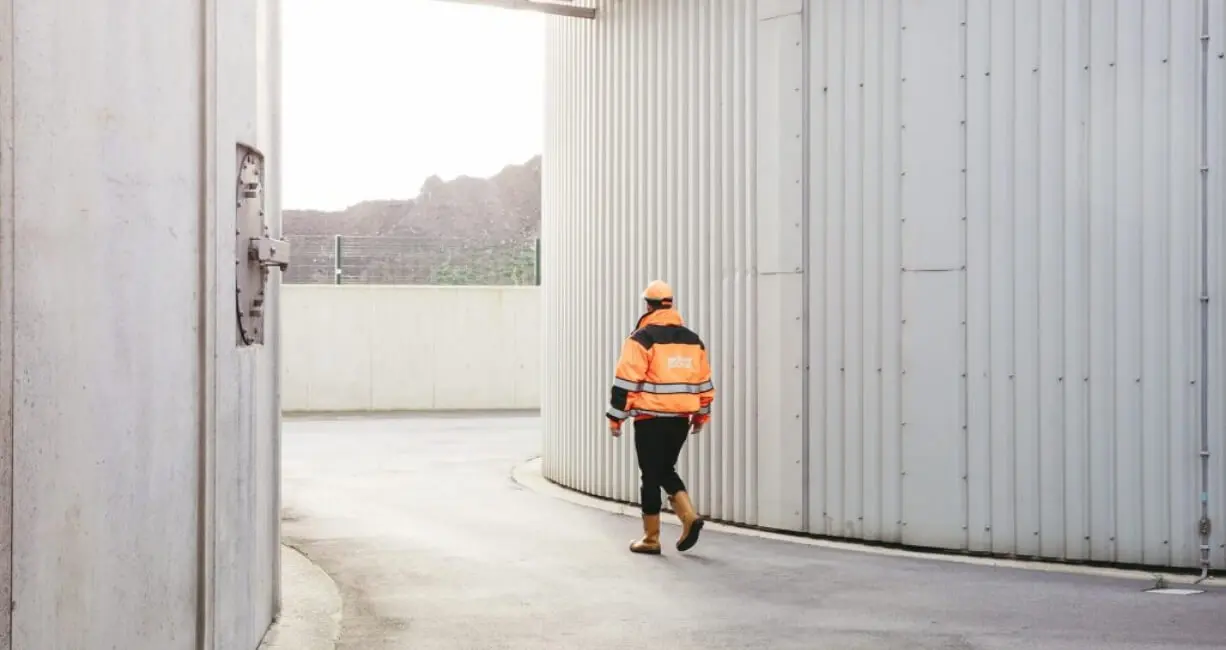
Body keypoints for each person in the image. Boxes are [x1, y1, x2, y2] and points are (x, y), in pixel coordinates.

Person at [605, 280, 715, 555]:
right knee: (665, 469)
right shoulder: (693, 340)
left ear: (647, 305)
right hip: (680, 417)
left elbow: (626, 380)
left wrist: (615, 417)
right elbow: (704, 383)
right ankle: (689, 516)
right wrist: (701, 416)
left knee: (650, 477)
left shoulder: (641, 338)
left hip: (650, 417)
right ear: (670, 303)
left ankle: (651, 538)